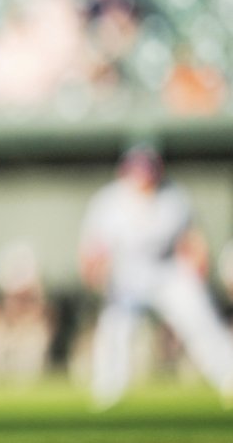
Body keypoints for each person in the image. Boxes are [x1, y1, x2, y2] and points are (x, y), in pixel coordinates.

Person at [78, 145, 233, 409]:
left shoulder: (173, 197)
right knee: (116, 325)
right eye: (136, 171)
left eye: (147, 171)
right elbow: (92, 250)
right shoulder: (108, 201)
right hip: (126, 271)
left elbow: (192, 241)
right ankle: (108, 392)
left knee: (200, 318)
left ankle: (228, 376)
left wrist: (198, 267)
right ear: (124, 172)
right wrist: (94, 273)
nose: (142, 178)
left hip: (166, 269)